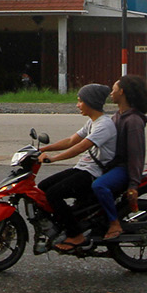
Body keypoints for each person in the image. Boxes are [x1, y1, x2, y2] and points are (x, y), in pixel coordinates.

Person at [36, 83, 117, 252]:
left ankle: (76, 235)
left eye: (80, 101)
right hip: (83, 168)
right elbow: (71, 140)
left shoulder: (104, 125)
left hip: (93, 173)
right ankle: (62, 224)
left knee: (53, 194)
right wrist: (42, 149)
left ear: (90, 102)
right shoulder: (92, 122)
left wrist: (53, 159)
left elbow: (80, 147)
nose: (77, 105)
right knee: (42, 187)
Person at [91, 75, 147, 241]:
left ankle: (114, 222)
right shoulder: (118, 116)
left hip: (123, 169)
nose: (111, 92)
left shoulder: (133, 121)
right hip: (112, 166)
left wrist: (133, 184)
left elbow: (136, 155)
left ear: (122, 92)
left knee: (99, 186)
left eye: (114, 89)